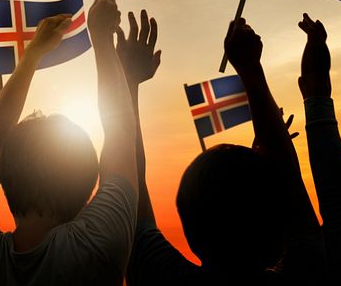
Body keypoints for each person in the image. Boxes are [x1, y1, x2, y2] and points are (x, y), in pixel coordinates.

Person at [0, 0, 138, 286]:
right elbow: (122, 132)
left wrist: (31, 55)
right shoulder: (100, 246)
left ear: (5, 176)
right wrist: (102, 38)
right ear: (90, 182)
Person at [128, 16, 324, 285]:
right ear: (276, 223)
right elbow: (289, 183)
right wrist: (251, 69)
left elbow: (132, 189)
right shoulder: (308, 273)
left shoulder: (163, 275)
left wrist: (128, 83)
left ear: (191, 229)